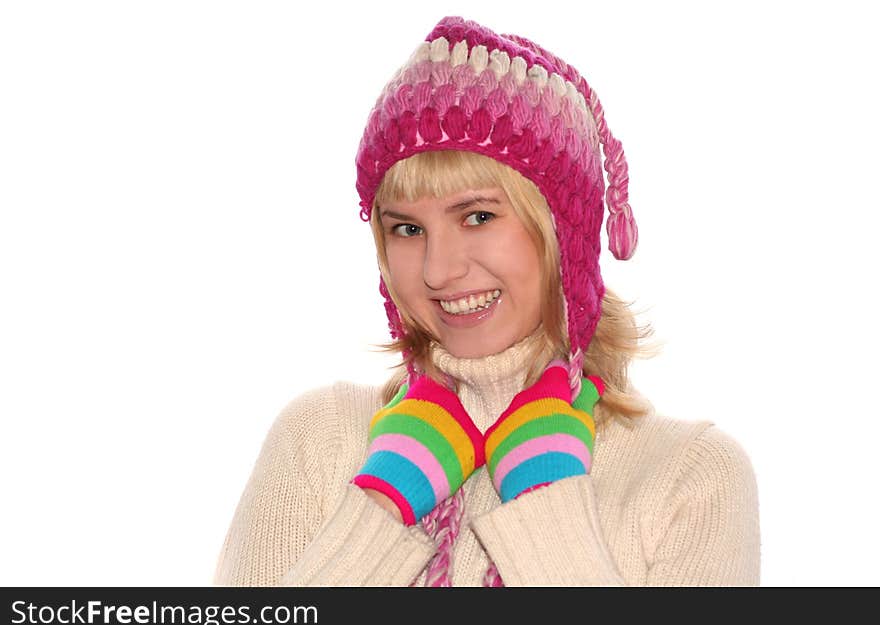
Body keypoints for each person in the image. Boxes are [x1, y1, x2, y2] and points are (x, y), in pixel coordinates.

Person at [212, 15, 760, 587]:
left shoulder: (690, 476)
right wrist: (378, 509)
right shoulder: (320, 438)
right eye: (405, 229)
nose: (438, 269)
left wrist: (549, 512)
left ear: (563, 235)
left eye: (478, 216)